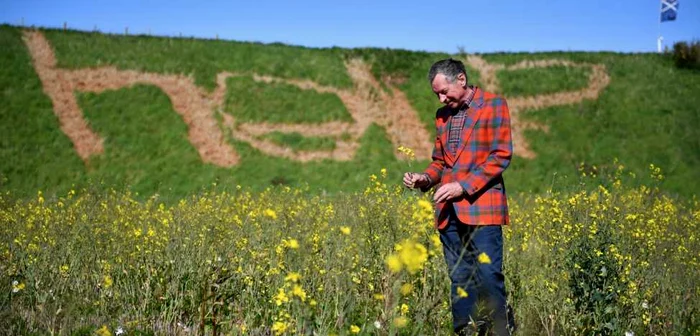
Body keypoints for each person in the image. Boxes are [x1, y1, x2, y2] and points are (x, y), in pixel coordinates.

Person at [403, 58, 515, 335]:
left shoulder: (494, 105)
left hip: (482, 206)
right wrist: (425, 178)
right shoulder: (442, 115)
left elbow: (500, 156)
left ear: (461, 80)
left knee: (488, 276)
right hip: (448, 211)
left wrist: (463, 187)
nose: (441, 98)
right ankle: (465, 330)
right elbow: (440, 162)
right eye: (436, 94)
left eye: (444, 91)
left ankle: (501, 328)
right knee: (460, 277)